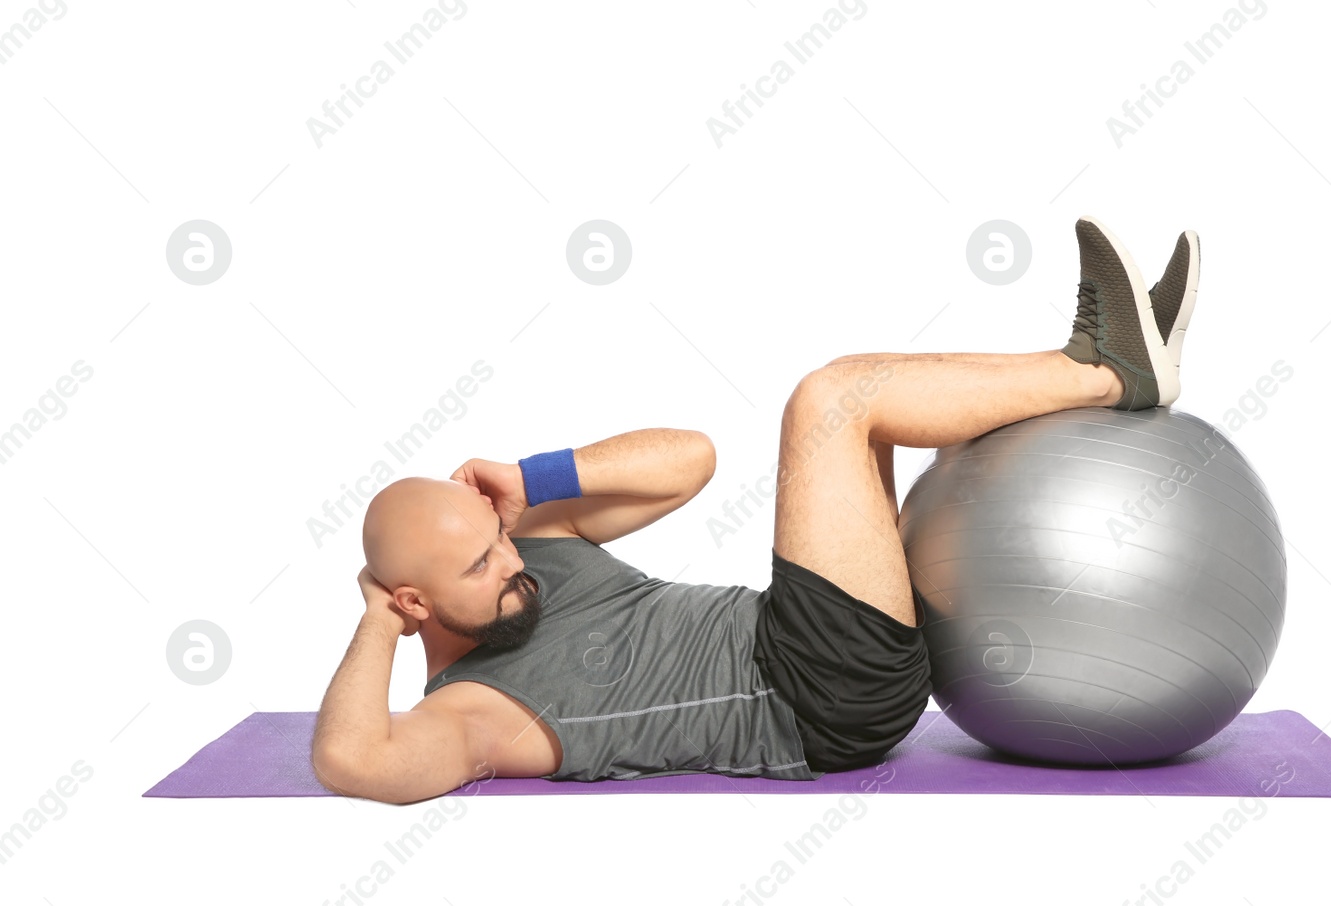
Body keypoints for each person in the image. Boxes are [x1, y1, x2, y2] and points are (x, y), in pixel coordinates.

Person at [310, 215, 1201, 803]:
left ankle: (1104, 359)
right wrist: (377, 628)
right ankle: (1111, 371)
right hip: (814, 699)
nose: (508, 565)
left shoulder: (530, 554)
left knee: (867, 407)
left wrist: (532, 478)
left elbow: (687, 461)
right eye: (477, 568)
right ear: (414, 602)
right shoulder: (475, 711)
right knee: (834, 402)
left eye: (494, 542)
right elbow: (355, 760)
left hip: (800, 633)